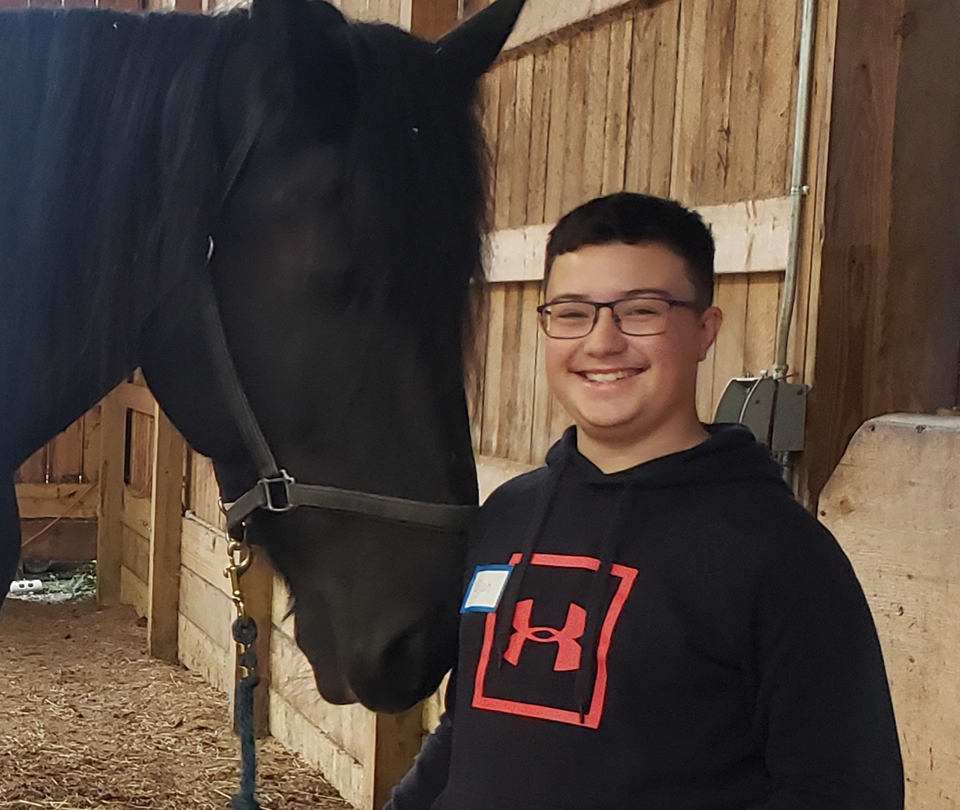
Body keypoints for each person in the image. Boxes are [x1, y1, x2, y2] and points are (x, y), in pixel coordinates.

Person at [385, 192, 904, 810]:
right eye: (573, 313)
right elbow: (467, 728)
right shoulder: (506, 516)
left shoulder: (781, 554)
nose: (602, 342)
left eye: (640, 311)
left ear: (705, 332)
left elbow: (842, 790)